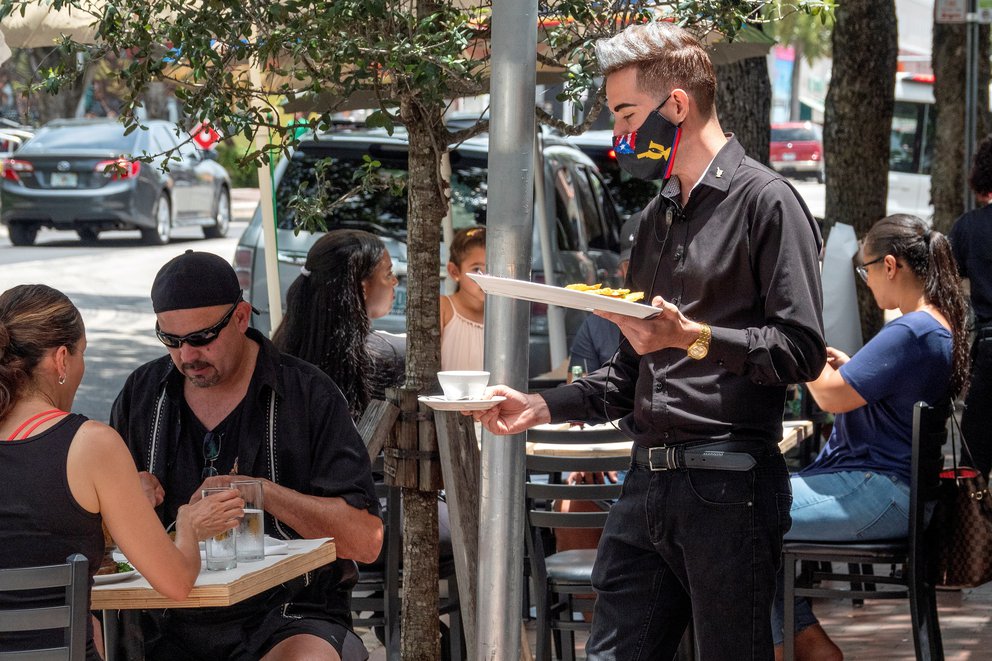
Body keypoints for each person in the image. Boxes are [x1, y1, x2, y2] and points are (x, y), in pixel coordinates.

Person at [473, 21, 826, 660]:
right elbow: (629, 370)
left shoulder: (767, 203)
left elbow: (799, 351)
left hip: (729, 482)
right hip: (646, 482)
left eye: (627, 114)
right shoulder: (655, 218)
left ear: (677, 105)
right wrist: (540, 405)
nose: (619, 134)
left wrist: (693, 337)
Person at [109, 251, 383, 661]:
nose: (187, 356)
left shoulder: (307, 394)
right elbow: (89, 538)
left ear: (240, 317)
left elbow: (366, 541)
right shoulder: (143, 394)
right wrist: (122, 501)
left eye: (202, 338)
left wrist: (263, 493)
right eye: (171, 341)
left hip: (288, 613)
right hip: (161, 618)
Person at [0, 284, 241, 660]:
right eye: (82, 354)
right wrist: (189, 525)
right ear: (62, 359)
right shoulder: (90, 445)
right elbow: (176, 582)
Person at [771, 214, 969, 659]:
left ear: (890, 265)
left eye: (866, 271)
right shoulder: (934, 325)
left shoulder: (912, 328)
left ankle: (797, 645)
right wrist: (851, 369)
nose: (867, 281)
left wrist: (803, 350)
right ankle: (802, 642)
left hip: (880, 491)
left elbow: (832, 397)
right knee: (740, 512)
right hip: (895, 494)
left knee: (736, 509)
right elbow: (878, 393)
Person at [272, 229, 401, 420]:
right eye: (388, 273)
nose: (395, 281)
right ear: (363, 288)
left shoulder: (280, 350)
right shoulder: (384, 357)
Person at [950, 134, 992, 478]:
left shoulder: (970, 227)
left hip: (990, 353)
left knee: (973, 462)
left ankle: (975, 513)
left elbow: (945, 288)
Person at [568, 213, 640, 375]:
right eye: (630, 264)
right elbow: (579, 380)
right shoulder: (597, 324)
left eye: (648, 264)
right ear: (621, 270)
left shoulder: (685, 322)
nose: (638, 273)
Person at [440, 225, 486, 371]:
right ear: (454, 272)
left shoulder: (502, 317)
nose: (486, 277)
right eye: (477, 269)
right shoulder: (444, 308)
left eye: (493, 269)